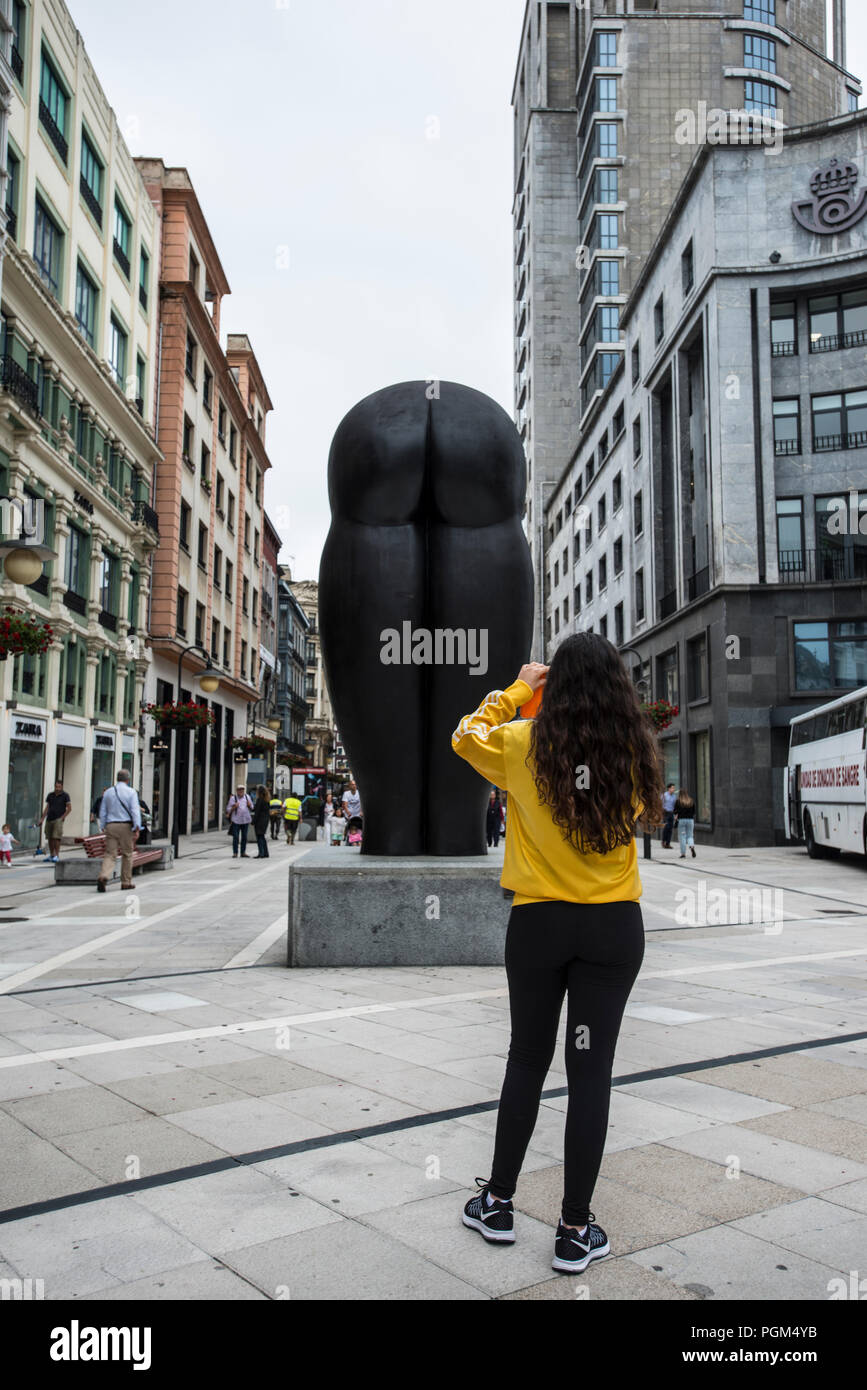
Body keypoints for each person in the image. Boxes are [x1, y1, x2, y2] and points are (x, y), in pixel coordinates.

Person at [451, 632, 663, 1275]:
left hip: (539, 924)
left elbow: (464, 735)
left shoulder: (522, 743)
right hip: (612, 928)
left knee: (527, 1059)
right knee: (590, 1072)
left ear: (554, 686)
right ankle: (574, 1229)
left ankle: (498, 1204)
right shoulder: (634, 748)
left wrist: (519, 688)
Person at [97, 771, 143, 893]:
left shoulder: (108, 792)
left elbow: (103, 811)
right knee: (127, 854)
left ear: (117, 779)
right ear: (128, 780)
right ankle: (126, 882)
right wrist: (137, 827)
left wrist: (103, 825)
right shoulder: (131, 792)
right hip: (125, 826)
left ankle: (104, 876)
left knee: (110, 854)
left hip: (111, 825)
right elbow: (135, 811)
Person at [38, 781, 71, 863]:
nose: (57, 788)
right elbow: (47, 807)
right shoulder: (50, 795)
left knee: (56, 837)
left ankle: (56, 855)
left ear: (62, 787)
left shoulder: (65, 795)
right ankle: (52, 854)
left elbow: (69, 808)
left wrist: (62, 817)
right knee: (50, 837)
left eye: (59, 787)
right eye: (56, 787)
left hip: (58, 819)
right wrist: (42, 818)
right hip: (50, 818)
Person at [226, 784, 254, 858]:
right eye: (239, 789)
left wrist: (249, 805)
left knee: (244, 837)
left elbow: (252, 807)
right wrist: (234, 807)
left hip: (245, 820)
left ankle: (243, 852)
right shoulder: (233, 798)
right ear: (237, 791)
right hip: (236, 820)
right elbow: (228, 809)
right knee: (236, 837)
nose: (241, 791)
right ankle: (235, 852)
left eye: (242, 789)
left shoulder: (247, 797)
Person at [675, 788, 697, 859]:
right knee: (690, 835)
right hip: (690, 820)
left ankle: (683, 853)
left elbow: (675, 811)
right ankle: (691, 846)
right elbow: (694, 812)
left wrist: (677, 814)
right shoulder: (691, 801)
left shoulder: (678, 801)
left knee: (682, 837)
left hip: (681, 820)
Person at [252, 786, 271, 859]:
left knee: (259, 837)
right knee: (262, 836)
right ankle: (265, 852)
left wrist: (253, 821)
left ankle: (261, 853)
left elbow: (257, 812)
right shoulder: (267, 800)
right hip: (265, 821)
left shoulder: (260, 800)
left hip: (259, 821)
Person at [661, 783, 677, 849]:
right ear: (669, 788)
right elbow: (660, 803)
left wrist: (675, 814)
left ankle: (668, 843)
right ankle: (663, 841)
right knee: (666, 827)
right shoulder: (664, 795)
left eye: (674, 788)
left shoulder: (674, 796)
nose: (673, 789)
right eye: (672, 788)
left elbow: (675, 806)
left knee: (670, 828)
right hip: (665, 812)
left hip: (671, 813)